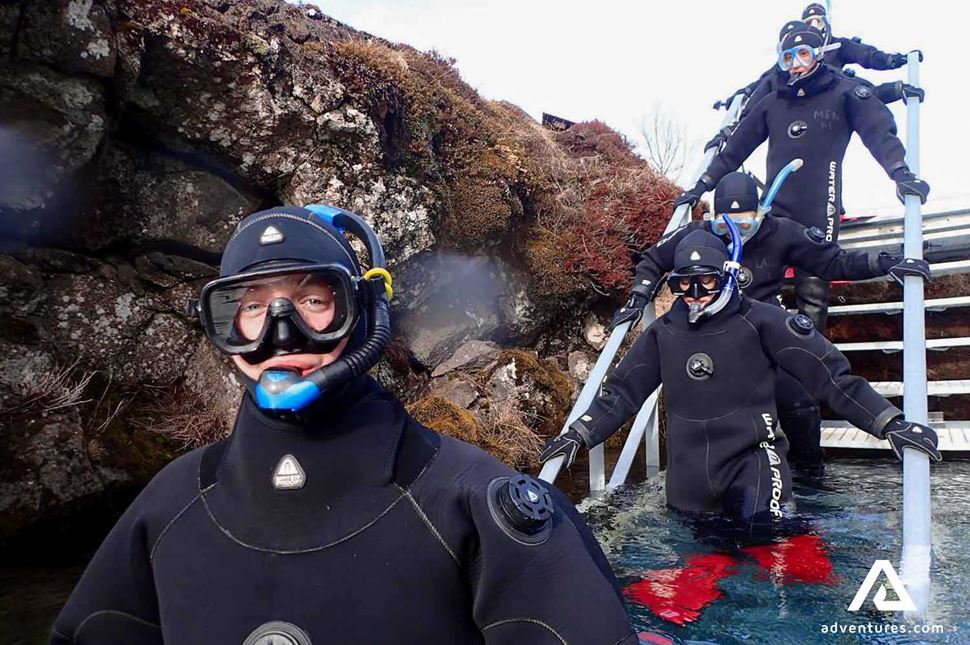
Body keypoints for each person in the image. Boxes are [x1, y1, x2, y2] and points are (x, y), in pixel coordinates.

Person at [51, 205, 638, 645]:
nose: (281, 334)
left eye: (313, 301)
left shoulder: (476, 508)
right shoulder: (167, 508)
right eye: (251, 307)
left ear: (361, 314)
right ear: (223, 328)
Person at [540, 229, 940, 528]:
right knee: (696, 552)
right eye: (683, 284)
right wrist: (578, 434)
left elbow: (830, 377)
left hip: (754, 466)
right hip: (689, 480)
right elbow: (621, 393)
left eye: (707, 280)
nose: (695, 293)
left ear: (727, 275)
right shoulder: (662, 334)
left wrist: (889, 423)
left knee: (769, 543)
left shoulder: (762, 321)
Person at [609, 171, 931, 472]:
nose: (735, 234)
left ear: (760, 214)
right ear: (712, 219)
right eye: (725, 226)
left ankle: (811, 477)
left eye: (744, 224)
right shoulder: (698, 237)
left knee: (799, 402)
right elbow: (653, 258)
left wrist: (883, 262)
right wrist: (638, 298)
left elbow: (833, 261)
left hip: (767, 333)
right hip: (713, 338)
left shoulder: (781, 231)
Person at [679, 21, 929, 332]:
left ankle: (809, 356)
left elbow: (879, 134)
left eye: (803, 54)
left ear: (820, 54)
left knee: (813, 293)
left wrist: (900, 173)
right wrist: (701, 186)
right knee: (755, 286)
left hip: (818, 209)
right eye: (787, 57)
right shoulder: (772, 102)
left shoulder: (844, 92)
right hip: (775, 210)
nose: (795, 64)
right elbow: (734, 151)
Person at [719, 6, 920, 110]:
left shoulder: (837, 44)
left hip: (831, 88)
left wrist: (892, 60)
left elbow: (865, 55)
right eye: (809, 21)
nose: (814, 25)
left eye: (818, 21)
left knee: (857, 89)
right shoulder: (793, 56)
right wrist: (743, 93)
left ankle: (897, 89)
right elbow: (767, 78)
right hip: (798, 97)